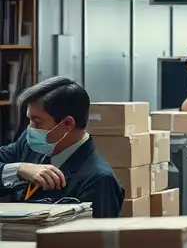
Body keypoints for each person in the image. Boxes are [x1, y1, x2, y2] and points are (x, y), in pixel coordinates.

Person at [0, 77, 123, 218]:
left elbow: (91, 238)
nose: (30, 128)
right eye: (29, 119)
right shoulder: (28, 145)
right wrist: (18, 169)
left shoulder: (98, 180)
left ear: (67, 124)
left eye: (37, 122)